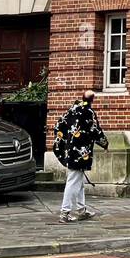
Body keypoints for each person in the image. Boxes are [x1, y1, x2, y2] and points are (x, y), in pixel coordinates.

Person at [53, 90, 108, 223]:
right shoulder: (89, 112)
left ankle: (81, 210)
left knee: (78, 180)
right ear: (92, 100)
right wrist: (105, 144)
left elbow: (58, 126)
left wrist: (64, 143)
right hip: (82, 153)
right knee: (73, 181)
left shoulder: (71, 110)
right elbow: (95, 131)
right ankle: (65, 212)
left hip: (70, 151)